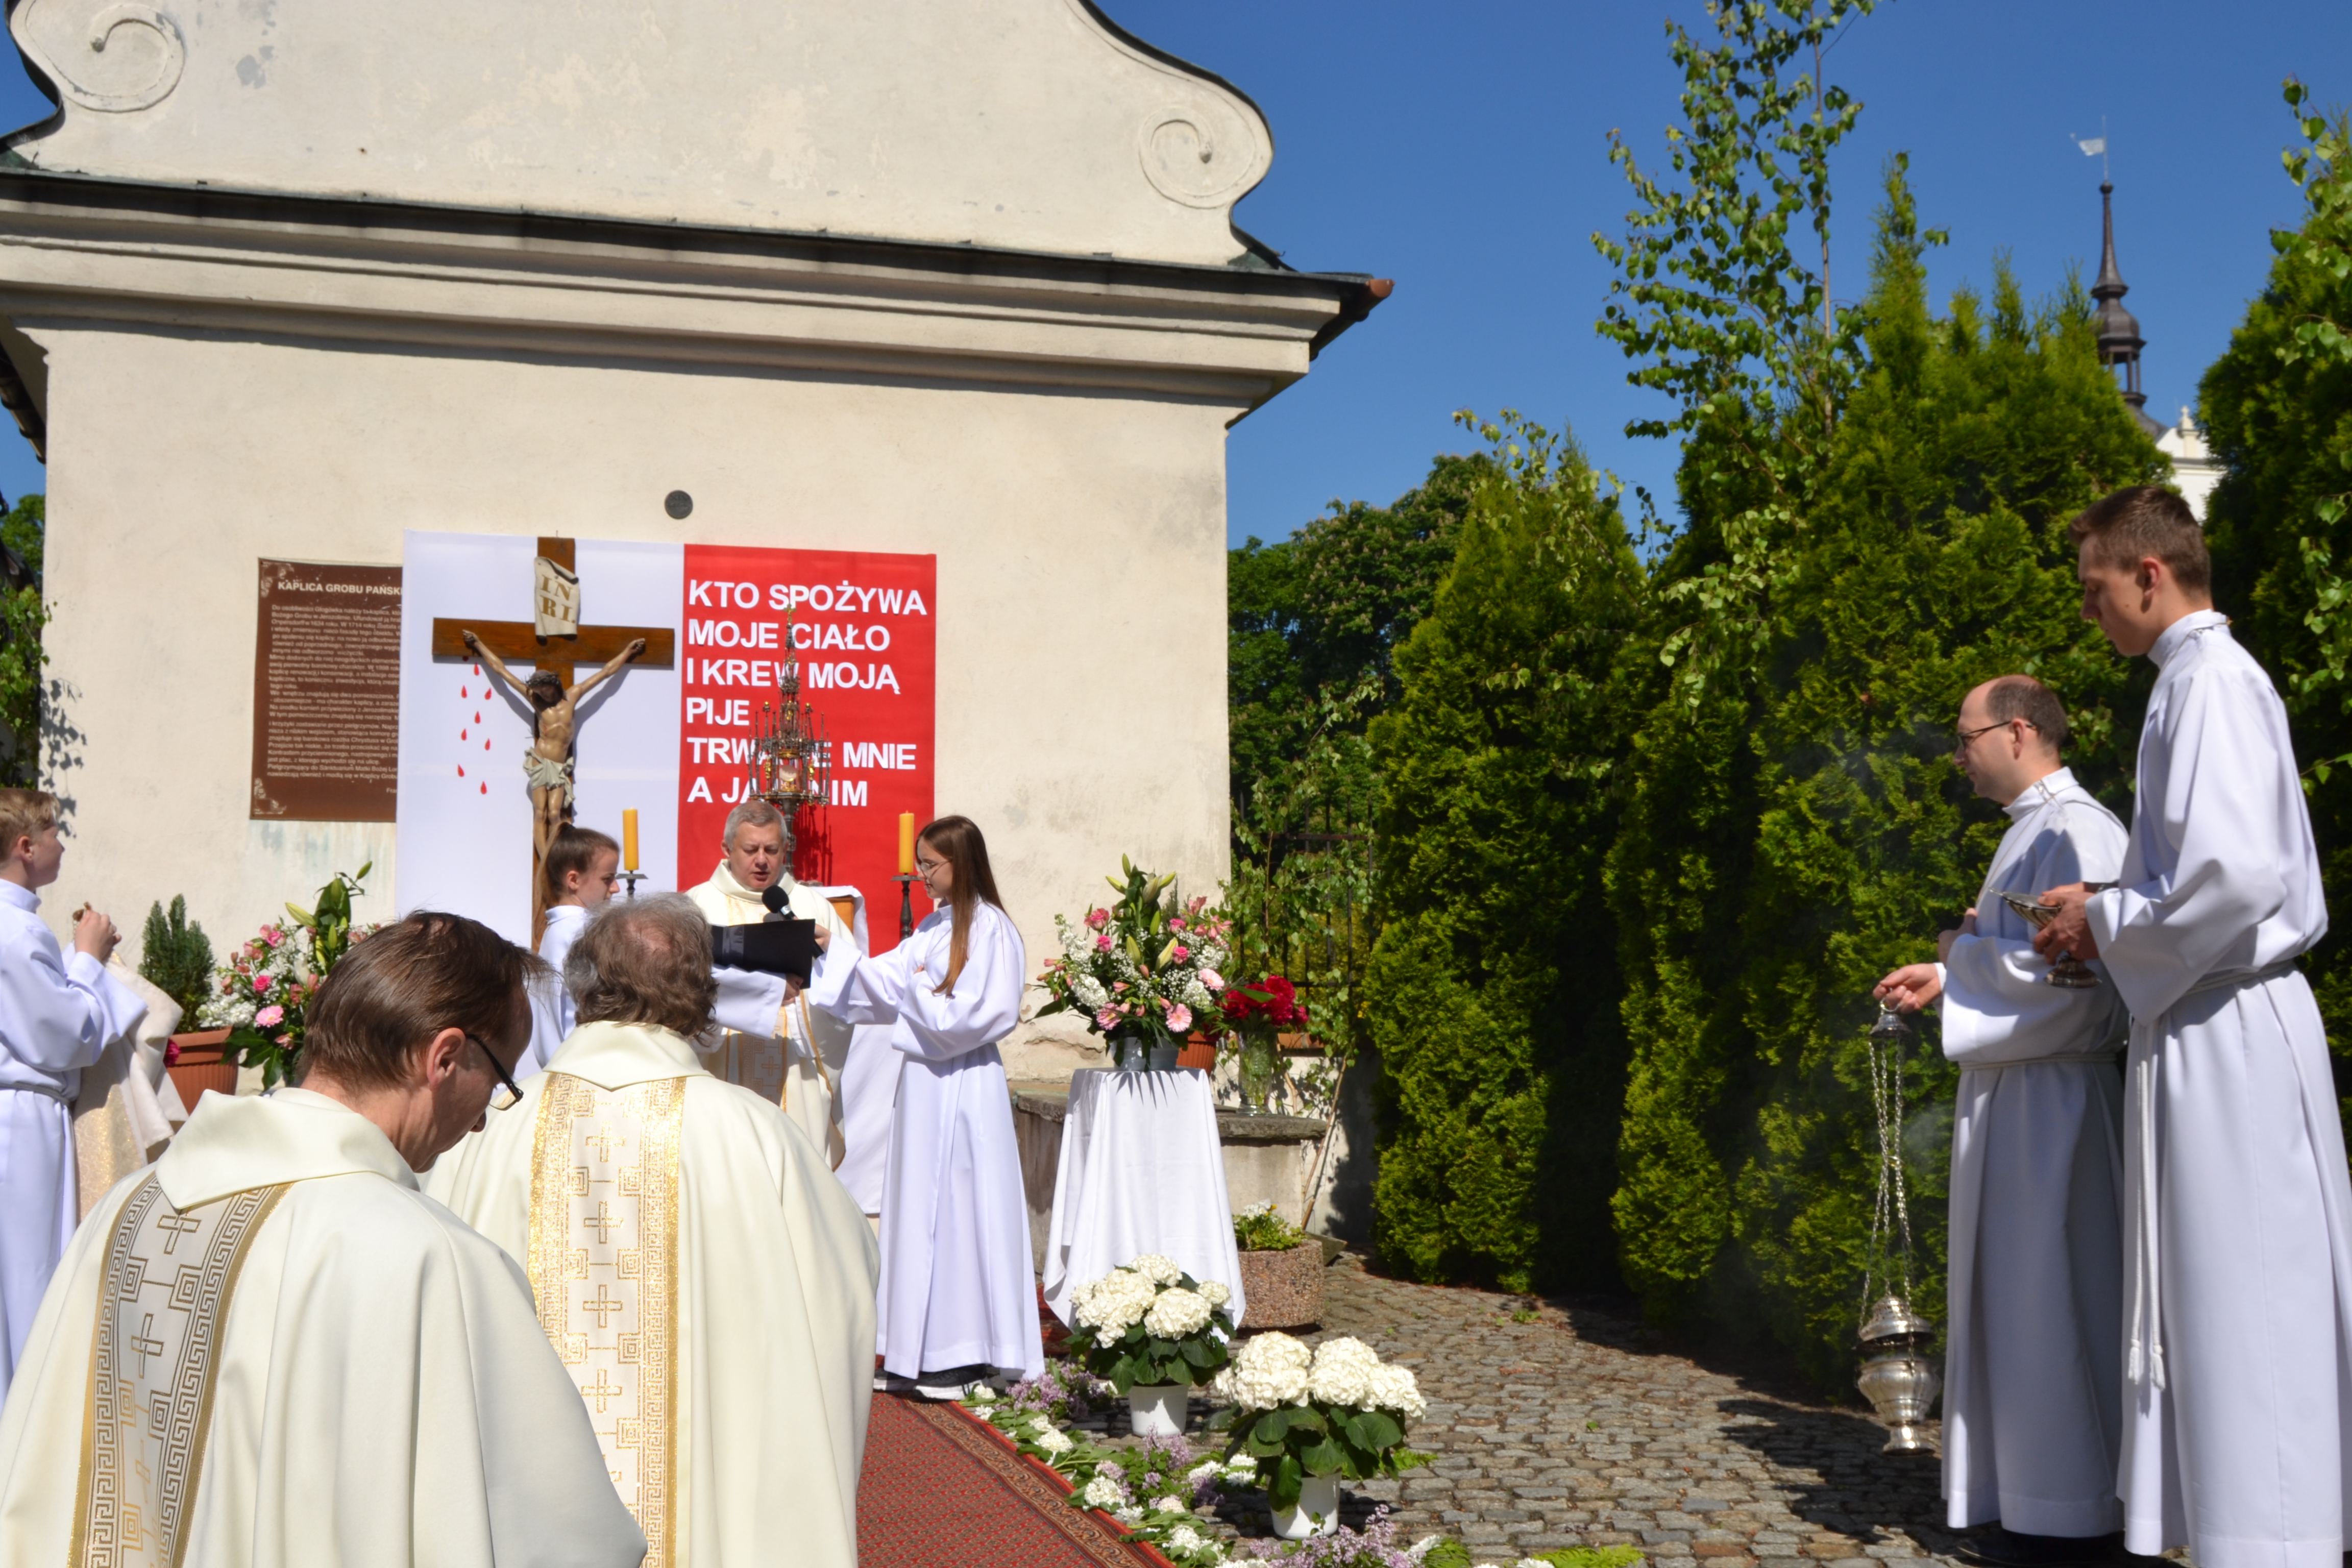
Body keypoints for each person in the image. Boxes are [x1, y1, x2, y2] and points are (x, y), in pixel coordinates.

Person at [0, 911, 645, 1568]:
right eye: (500, 1085)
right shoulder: (428, 1260)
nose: (482, 1124)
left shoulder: (124, 1211)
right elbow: (567, 1541)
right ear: (445, 1058)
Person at [2030, 485, 2352, 1568]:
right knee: (2217, 1303)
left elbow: (2231, 877)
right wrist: (2116, 920)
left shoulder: (2211, 683)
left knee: (2251, 1301)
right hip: (2204, 1020)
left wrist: (2102, 916)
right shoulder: (2193, 683)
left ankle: (2274, 1546)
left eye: (2096, 590)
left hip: (2232, 1028)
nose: (2091, 614)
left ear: (2150, 575)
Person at [428, 895, 877, 1568]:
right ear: (700, 997)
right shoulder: (759, 1139)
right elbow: (842, 1287)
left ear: (582, 992)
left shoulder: (485, 1135)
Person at [1874, 676, 2128, 1565]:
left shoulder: (2081, 829)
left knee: (2054, 1297)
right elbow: (2025, 961)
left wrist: (1959, 954)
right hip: (2017, 1094)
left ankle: (2072, 1514)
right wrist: (1949, 975)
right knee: (2016, 1302)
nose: (1957, 754)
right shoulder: (2027, 832)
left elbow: (2086, 985)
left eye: (1965, 735)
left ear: (2017, 731)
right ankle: (2028, 1496)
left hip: (2057, 1101)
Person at [808, 813, 1041, 1398]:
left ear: (959, 864)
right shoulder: (935, 931)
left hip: (966, 1087)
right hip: (925, 1089)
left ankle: (967, 1352)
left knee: (964, 1211)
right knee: (917, 1211)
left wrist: (915, 990)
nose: (921, 875)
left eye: (930, 865)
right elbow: (877, 983)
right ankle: (916, 1350)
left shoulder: (993, 932)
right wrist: (830, 950)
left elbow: (981, 1015)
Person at [0, 787, 143, 1403]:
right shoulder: (16, 931)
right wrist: (88, 958)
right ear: (26, 847)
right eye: (55, 831)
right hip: (20, 1120)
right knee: (30, 1276)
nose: (62, 842)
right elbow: (65, 1038)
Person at [687, 799, 855, 1164]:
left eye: (771, 850)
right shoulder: (696, 907)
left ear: (785, 849)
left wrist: (804, 1001)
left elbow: (849, 988)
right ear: (727, 850)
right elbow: (677, 991)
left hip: (795, 1069)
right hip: (718, 1068)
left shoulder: (812, 906)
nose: (762, 860)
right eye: (751, 850)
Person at [463, 629, 647, 864]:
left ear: (554, 684)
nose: (541, 695)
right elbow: (502, 671)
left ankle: (556, 855)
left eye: (545, 691)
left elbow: (605, 673)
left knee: (555, 814)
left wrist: (628, 652)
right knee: (540, 813)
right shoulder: (536, 701)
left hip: (559, 768)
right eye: (538, 692)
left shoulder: (573, 695)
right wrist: (478, 643)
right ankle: (546, 861)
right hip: (540, 763)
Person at [522, 823, 620, 1076]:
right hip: (585, 1069)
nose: (616, 888)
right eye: (607, 879)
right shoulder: (583, 930)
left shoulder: (556, 930)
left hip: (562, 1068)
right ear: (574, 880)